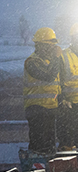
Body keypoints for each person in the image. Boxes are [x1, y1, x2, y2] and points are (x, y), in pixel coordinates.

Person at [23, 27, 63, 155]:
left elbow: (57, 84)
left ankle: (46, 163)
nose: (52, 48)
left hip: (50, 108)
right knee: (39, 144)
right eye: (49, 45)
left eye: (53, 45)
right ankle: (36, 163)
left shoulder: (50, 62)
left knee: (49, 145)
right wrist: (56, 58)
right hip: (37, 109)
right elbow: (49, 77)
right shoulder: (32, 62)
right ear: (40, 45)